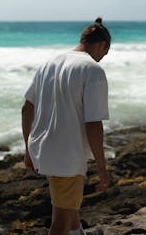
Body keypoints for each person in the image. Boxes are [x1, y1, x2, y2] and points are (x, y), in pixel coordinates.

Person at [21, 17, 111, 235]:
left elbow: (26, 108)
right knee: (59, 224)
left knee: (68, 207)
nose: (102, 58)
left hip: (43, 149)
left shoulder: (48, 63)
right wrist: (102, 167)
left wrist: (27, 150)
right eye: (105, 54)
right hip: (67, 156)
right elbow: (93, 124)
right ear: (102, 45)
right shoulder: (92, 70)